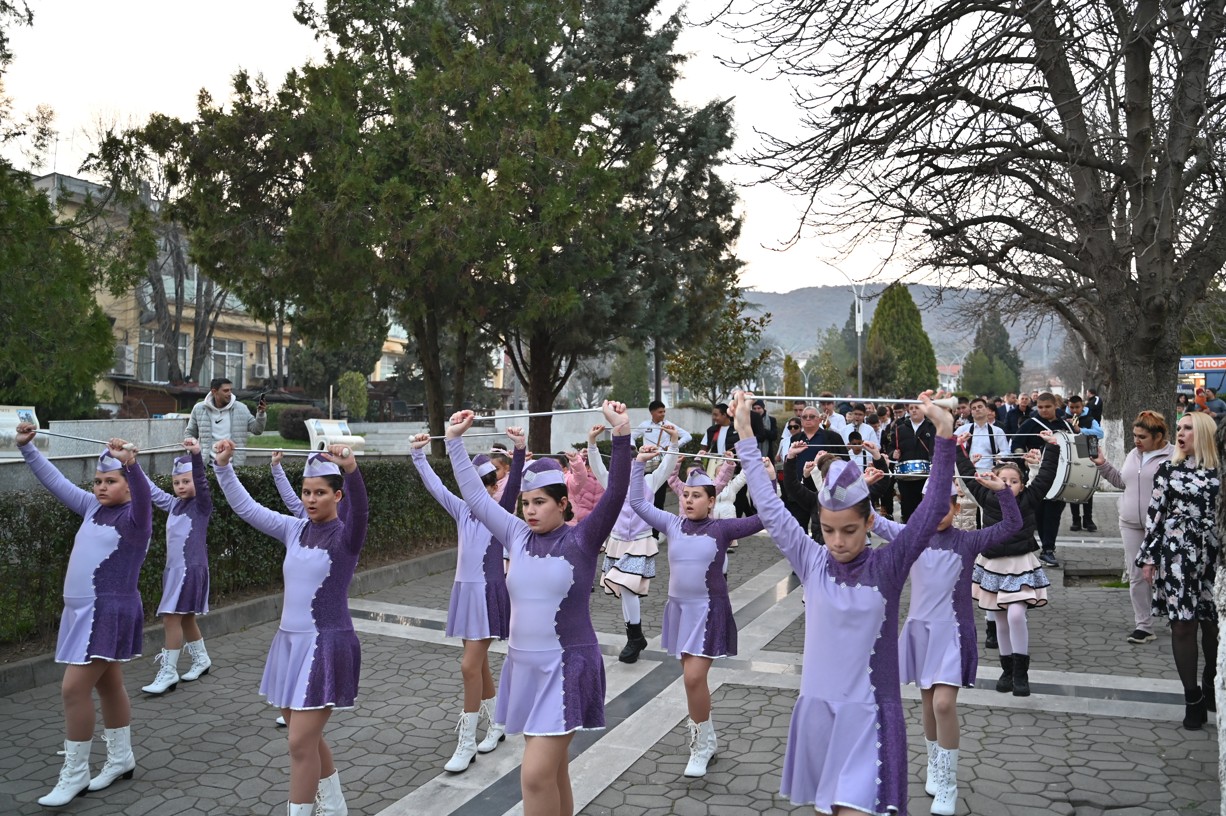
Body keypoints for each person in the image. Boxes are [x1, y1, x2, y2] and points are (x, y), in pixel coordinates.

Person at [732, 390, 955, 816]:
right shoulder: (811, 559)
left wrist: (944, 435)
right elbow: (771, 508)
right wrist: (744, 429)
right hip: (818, 712)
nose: (837, 541)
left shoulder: (889, 564)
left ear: (869, 522)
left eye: (849, 530)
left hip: (869, 717)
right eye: (829, 529)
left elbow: (929, 515)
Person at [444, 401, 631, 816]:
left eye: (540, 502)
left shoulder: (581, 539)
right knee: (553, 772)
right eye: (525, 502)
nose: (529, 510)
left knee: (534, 776)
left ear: (562, 504)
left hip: (566, 667)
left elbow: (617, 493)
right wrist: (454, 442)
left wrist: (621, 435)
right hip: (524, 668)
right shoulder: (515, 535)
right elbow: (475, 496)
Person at [212, 440, 367, 816]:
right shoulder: (294, 529)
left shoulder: (345, 537)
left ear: (337, 496)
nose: (311, 499)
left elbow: (361, 509)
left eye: (320, 493)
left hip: (326, 644)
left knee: (298, 742)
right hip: (289, 645)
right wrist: (223, 468)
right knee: (306, 737)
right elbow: (247, 508)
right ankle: (334, 805)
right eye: (306, 492)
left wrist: (351, 468)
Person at [15, 426, 151, 806]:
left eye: (111, 481)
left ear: (129, 486)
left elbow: (143, 497)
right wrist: (27, 449)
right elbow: (56, 482)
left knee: (73, 689)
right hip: (82, 612)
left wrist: (132, 465)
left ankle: (76, 773)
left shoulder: (136, 519)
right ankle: (121, 758)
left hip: (105, 612)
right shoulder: (93, 508)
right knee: (109, 685)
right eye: (97, 481)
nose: (101, 487)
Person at [872, 473, 1021, 815]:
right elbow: (870, 520)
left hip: (952, 634)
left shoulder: (967, 541)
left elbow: (1012, 525)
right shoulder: (911, 538)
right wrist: (866, 485)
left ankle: (948, 785)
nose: (938, 513)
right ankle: (935, 767)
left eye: (945, 506)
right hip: (921, 633)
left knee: (942, 705)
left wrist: (1002, 492)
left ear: (956, 507)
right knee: (927, 705)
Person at [627, 446, 768, 777]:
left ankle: (701, 746)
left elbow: (766, 516)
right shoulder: (672, 523)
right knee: (692, 682)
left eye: (696, 496)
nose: (689, 500)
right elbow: (637, 503)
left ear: (711, 500)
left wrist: (766, 478)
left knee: (693, 678)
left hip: (708, 611)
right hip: (679, 610)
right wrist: (638, 464)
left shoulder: (722, 529)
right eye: (686, 495)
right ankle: (707, 738)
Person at [410, 428, 525, 771]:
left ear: (493, 486)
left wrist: (520, 449)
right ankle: (497, 724)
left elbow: (514, 486)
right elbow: (436, 487)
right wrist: (418, 455)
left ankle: (467, 741)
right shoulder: (461, 510)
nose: (479, 490)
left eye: (486, 483)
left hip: (489, 594)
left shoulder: (500, 511)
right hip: (464, 592)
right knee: (479, 664)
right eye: (473, 483)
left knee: (468, 666)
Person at [958, 433, 1061, 698]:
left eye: (1014, 481)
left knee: (1016, 615)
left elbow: (1046, 477)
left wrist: (1052, 447)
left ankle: (1021, 673)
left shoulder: (1029, 499)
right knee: (1000, 620)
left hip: (1020, 565)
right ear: (991, 481)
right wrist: (958, 448)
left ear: (1022, 486)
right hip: (993, 565)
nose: (1008, 485)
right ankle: (1007, 669)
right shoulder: (986, 498)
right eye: (1003, 480)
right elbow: (967, 474)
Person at [1136, 411, 1221, 729]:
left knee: (1214, 625)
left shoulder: (1220, 469)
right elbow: (1154, 516)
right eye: (1180, 428)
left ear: (1205, 434)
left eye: (1189, 428)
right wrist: (1148, 557)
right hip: (1177, 554)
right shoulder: (1168, 469)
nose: (1181, 433)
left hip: (1215, 553)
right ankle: (1192, 698)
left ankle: (1211, 679)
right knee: (1183, 624)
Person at [588, 424, 682, 663]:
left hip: (640, 542)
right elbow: (597, 465)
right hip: (618, 541)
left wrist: (673, 442)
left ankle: (635, 636)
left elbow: (667, 465)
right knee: (624, 590)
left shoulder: (650, 480)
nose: (625, 468)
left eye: (629, 463)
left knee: (628, 588)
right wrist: (592, 442)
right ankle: (634, 635)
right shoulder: (611, 482)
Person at [1092, 411, 1174, 645]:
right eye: (1135, 435)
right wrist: (1102, 464)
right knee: (1137, 575)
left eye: (1142, 437)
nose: (1137, 441)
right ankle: (1144, 626)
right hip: (1130, 523)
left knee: (1168, 573)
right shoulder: (1133, 454)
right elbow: (1121, 481)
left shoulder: (1174, 456)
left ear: (1158, 436)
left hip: (1161, 527)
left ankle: (1178, 618)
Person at [140, 440, 214, 696]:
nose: (181, 486)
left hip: (190, 569)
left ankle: (169, 671)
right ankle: (202, 659)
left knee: (171, 617)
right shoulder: (173, 504)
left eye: (186, 481)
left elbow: (202, 482)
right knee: (186, 617)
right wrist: (130, 464)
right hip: (174, 571)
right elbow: (149, 489)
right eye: (176, 482)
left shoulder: (201, 506)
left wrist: (196, 455)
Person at [1012, 392, 1075, 567]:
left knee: (1053, 514)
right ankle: (1036, 546)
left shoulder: (1065, 425)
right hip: (1036, 475)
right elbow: (1016, 445)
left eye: (1048, 407)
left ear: (1056, 406)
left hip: (1060, 476)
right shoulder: (1030, 424)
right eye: (1040, 407)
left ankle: (1048, 549)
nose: (1044, 410)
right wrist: (1024, 460)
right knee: (1037, 513)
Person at [184, 378, 267, 465]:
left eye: (230, 390)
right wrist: (193, 450)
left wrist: (261, 414)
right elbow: (189, 433)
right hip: (206, 466)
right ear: (214, 392)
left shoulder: (241, 408)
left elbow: (257, 430)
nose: (229, 393)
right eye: (225, 391)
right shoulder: (199, 409)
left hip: (234, 466)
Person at [1062, 394, 1105, 533]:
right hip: (1072, 457)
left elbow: (1100, 433)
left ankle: (1088, 519)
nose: (1074, 410)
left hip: (1087, 456)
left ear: (1082, 406)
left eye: (1077, 407)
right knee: (1072, 488)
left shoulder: (1090, 419)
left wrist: (1080, 430)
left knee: (1087, 488)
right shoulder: (1063, 419)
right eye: (1072, 407)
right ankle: (1076, 520)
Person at [890, 402, 937, 522]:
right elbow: (891, 447)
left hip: (926, 476)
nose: (914, 410)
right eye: (911, 408)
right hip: (905, 476)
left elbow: (937, 449)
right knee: (907, 508)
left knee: (926, 508)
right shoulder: (900, 428)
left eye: (917, 408)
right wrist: (893, 453)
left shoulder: (932, 427)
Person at [956, 397, 1009, 475]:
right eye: (974, 408)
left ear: (987, 410)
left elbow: (1006, 451)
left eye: (980, 407)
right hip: (966, 472)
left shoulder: (998, 431)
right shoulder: (962, 429)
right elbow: (950, 447)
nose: (977, 409)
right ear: (971, 412)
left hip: (989, 472)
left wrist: (999, 456)